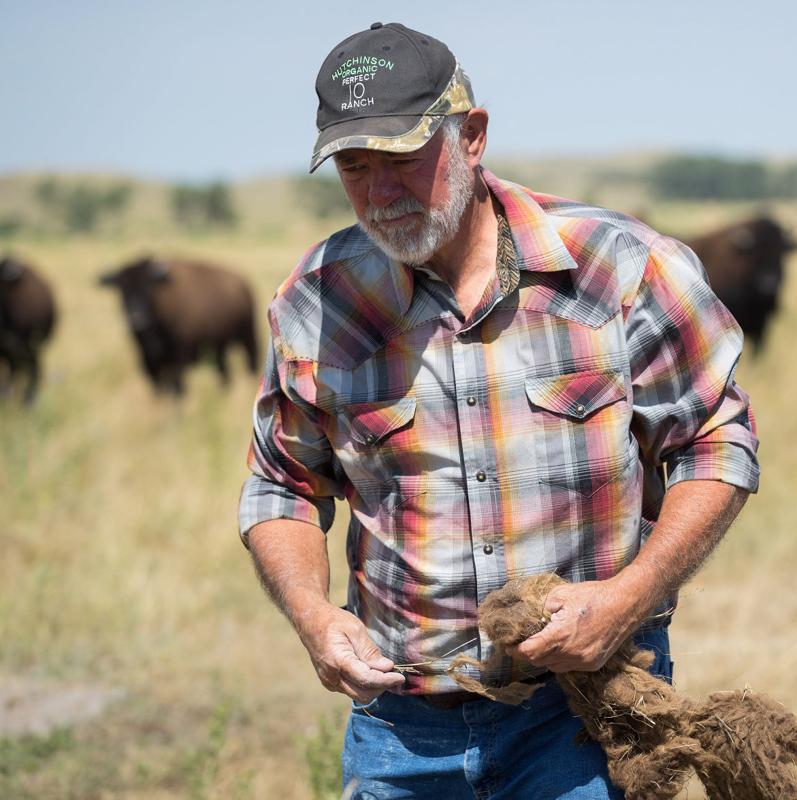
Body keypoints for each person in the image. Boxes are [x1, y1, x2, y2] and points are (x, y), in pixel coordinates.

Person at [238, 21, 760, 800]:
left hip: (581, 719)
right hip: (399, 736)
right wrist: (315, 617)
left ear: (472, 136)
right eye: (354, 166)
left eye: (403, 161)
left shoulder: (619, 267)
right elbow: (281, 486)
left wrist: (628, 599)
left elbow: (717, 442)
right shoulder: (319, 301)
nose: (379, 195)